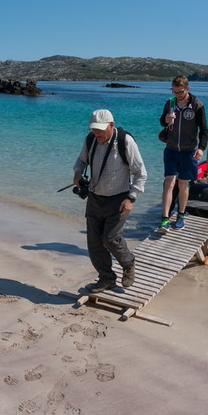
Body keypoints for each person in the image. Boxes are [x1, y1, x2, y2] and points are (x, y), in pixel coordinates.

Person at [73, 109, 147, 293]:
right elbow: (81, 160)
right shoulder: (90, 140)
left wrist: (132, 198)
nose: (96, 133)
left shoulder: (125, 142)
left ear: (111, 126)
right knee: (94, 243)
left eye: (99, 129)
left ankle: (128, 263)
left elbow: (141, 174)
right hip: (95, 198)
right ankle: (107, 279)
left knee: (110, 238)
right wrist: (77, 171)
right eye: (93, 129)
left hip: (119, 199)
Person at [158, 75, 208, 230]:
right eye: (174, 92)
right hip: (171, 148)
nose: (177, 95)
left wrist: (201, 148)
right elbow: (161, 121)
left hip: (189, 150)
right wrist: (166, 119)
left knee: (183, 183)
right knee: (169, 183)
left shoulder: (197, 105)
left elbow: (204, 130)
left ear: (187, 89)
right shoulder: (170, 103)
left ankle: (181, 214)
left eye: (180, 92)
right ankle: (165, 219)